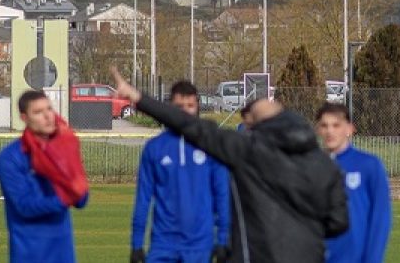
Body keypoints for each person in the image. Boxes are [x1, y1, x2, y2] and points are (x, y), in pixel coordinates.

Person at [112, 67, 348, 263]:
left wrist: (139, 98)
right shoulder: (326, 165)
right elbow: (339, 222)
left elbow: (195, 128)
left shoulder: (248, 151)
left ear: (259, 126)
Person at [130, 81, 231, 263]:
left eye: (190, 106)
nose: (185, 111)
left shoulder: (211, 146)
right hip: (163, 243)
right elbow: (143, 199)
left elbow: (222, 195)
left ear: (198, 107)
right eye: (179, 106)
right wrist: (136, 244)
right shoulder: (155, 148)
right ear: (169, 108)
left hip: (199, 245)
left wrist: (223, 240)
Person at [0, 90, 89, 263]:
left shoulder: (63, 149)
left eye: (49, 109)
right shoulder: (10, 157)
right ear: (24, 118)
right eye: (38, 112)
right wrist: (65, 198)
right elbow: (24, 207)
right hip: (30, 252)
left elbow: (81, 200)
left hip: (63, 252)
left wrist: (76, 182)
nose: (47, 116)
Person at [315, 102, 391, 263]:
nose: (330, 131)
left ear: (349, 129)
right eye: (324, 125)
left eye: (336, 125)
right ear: (318, 129)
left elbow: (381, 218)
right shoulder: (311, 167)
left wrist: (372, 259)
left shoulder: (369, 165)